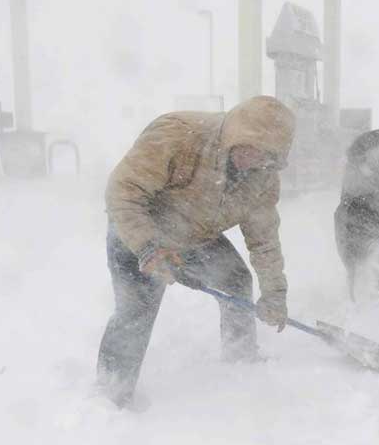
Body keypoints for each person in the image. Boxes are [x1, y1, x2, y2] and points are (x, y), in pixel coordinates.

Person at [97, 95, 296, 408]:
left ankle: (240, 359)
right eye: (246, 146)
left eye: (263, 154)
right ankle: (112, 395)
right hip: (137, 229)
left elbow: (264, 239)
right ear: (233, 133)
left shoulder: (263, 179)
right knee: (137, 309)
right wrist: (149, 248)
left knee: (235, 279)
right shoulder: (178, 133)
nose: (251, 158)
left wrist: (275, 294)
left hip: (194, 234)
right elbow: (123, 193)